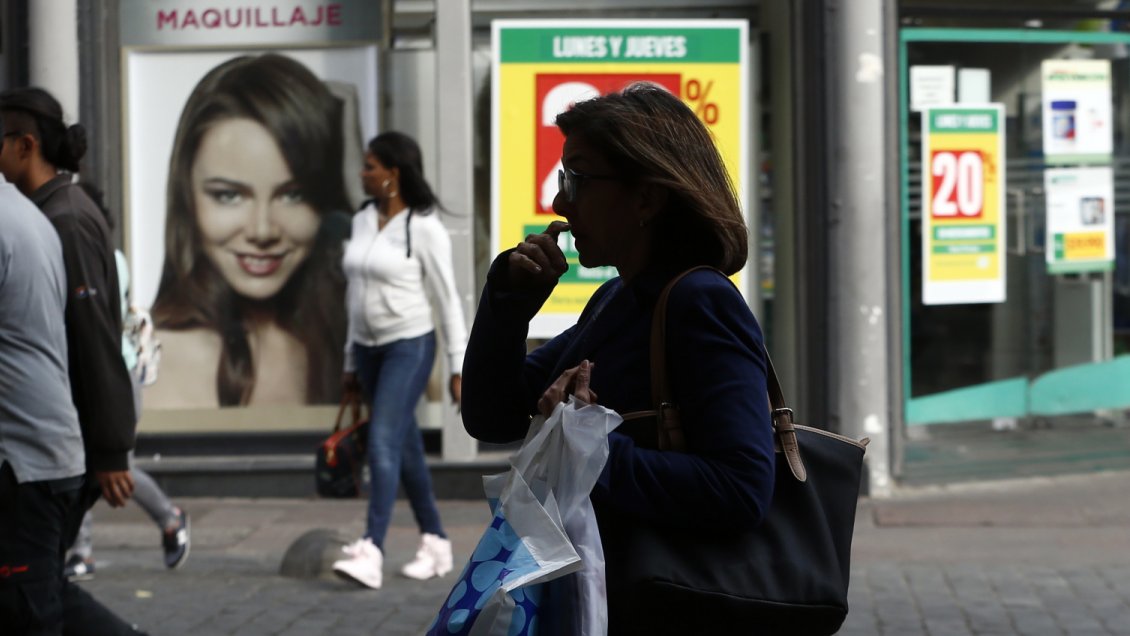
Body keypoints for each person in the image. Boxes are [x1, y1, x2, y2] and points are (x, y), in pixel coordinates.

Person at [459, 83, 776, 632]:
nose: (560, 203)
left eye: (578, 180)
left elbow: (741, 488)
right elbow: (492, 416)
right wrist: (508, 305)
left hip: (670, 605)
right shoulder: (616, 300)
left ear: (646, 199)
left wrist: (586, 444)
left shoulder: (699, 301)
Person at [0, 88, 146, 634]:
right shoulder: (47, 210)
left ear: (25, 145)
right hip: (55, 440)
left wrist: (110, 449)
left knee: (32, 595)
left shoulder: (65, 217)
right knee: (38, 587)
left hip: (59, 445)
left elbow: (93, 336)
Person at [147, 53, 352, 408]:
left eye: (293, 195)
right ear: (187, 197)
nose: (262, 230)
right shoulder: (159, 360)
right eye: (229, 196)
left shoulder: (347, 339)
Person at [331, 131, 467, 590]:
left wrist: (458, 365)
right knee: (404, 446)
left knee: (383, 440)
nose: (362, 173)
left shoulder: (424, 228)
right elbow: (354, 296)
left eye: (370, 166)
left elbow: (447, 299)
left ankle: (371, 548)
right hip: (367, 351)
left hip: (409, 346)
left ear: (393, 173)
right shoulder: (362, 220)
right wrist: (350, 362)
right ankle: (436, 541)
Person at [63, 184, 191, 581]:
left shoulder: (105, 257)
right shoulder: (99, 254)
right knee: (81, 463)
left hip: (116, 376)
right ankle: (80, 551)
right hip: (95, 374)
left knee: (116, 466)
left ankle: (170, 518)